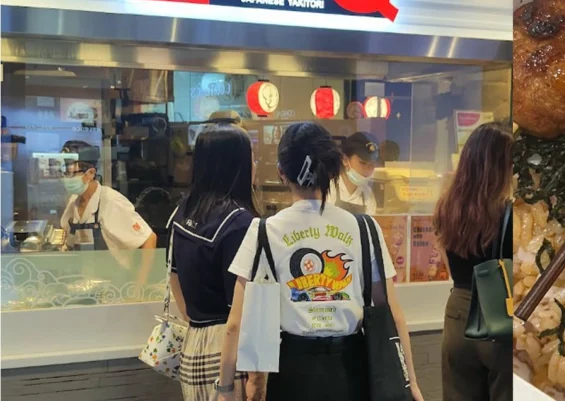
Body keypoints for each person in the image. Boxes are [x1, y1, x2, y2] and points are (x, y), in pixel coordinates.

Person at [215, 122, 424, 401]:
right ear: (335, 169)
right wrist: (411, 384)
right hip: (352, 371)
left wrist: (225, 389)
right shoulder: (365, 229)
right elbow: (392, 314)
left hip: (292, 373)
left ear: (281, 172)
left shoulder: (264, 231)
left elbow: (235, 324)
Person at [168, 123, 258, 401]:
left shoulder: (184, 209)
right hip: (230, 356)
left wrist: (199, 320)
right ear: (236, 164)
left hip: (194, 346)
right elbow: (239, 319)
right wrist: (245, 380)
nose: (255, 164)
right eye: (250, 156)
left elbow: (174, 277)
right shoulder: (241, 223)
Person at [433, 122, 513, 401]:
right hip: (497, 310)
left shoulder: (447, 205)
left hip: (457, 308)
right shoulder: (507, 210)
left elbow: (445, 255)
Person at [59, 140, 157, 255]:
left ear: (90, 173)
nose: (66, 178)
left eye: (71, 173)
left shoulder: (111, 201)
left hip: (111, 271)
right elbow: (65, 231)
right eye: (64, 173)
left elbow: (149, 239)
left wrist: (142, 274)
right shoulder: (74, 200)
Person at [328, 131, 380, 214]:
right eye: (362, 163)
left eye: (371, 164)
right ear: (345, 160)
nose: (367, 169)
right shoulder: (328, 190)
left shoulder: (367, 195)